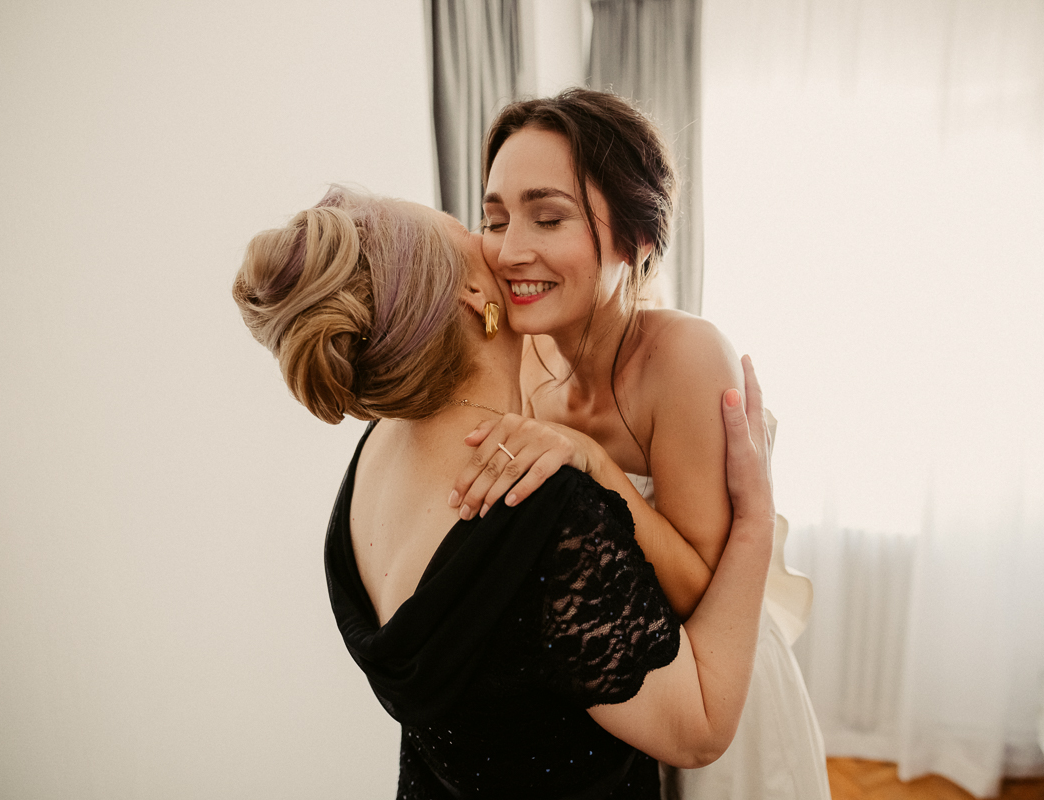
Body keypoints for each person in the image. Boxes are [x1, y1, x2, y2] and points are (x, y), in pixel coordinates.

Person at [231, 186, 777, 798]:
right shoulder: (541, 513)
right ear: (473, 294)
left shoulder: (377, 448)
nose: (505, 247)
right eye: (475, 229)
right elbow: (699, 733)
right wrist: (756, 519)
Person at [449, 88, 831, 800]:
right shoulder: (522, 353)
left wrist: (594, 464)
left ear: (638, 238)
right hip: (618, 691)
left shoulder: (685, 357)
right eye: (494, 220)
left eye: (548, 217)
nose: (508, 250)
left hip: (709, 686)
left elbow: (704, 591)